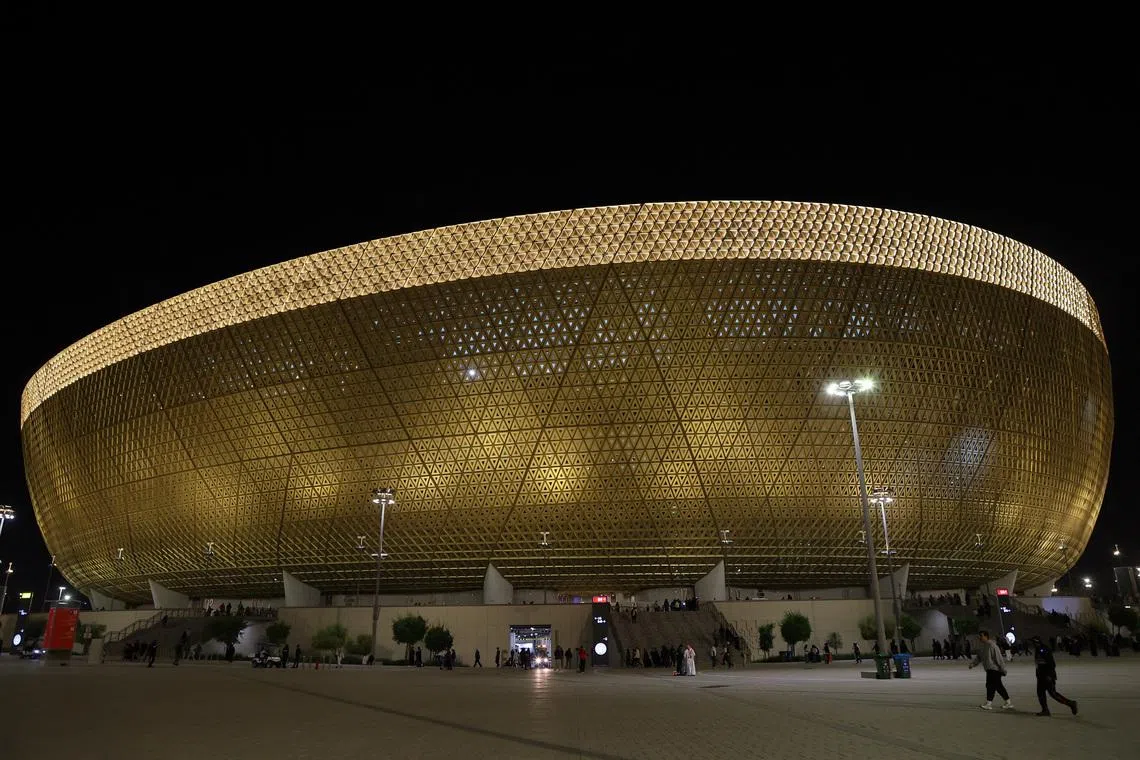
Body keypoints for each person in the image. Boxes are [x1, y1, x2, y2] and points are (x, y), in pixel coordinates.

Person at [1032, 637, 1077, 717]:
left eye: (1033, 643)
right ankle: (1045, 710)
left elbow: (1052, 664)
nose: (1033, 644)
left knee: (1053, 694)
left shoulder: (1044, 649)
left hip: (1047, 676)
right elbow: (1039, 664)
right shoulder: (1038, 649)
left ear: (1036, 642)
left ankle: (1071, 703)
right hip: (1041, 676)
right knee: (1041, 693)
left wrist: (1049, 675)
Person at [969, 630, 1013, 711]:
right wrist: (973, 664)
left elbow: (998, 658)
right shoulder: (983, 646)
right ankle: (1008, 702)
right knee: (998, 686)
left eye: (981, 636)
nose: (980, 638)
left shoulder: (992, 645)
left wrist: (1003, 669)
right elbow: (979, 657)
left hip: (994, 669)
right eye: (979, 636)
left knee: (990, 686)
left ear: (986, 636)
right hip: (989, 669)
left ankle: (989, 704)